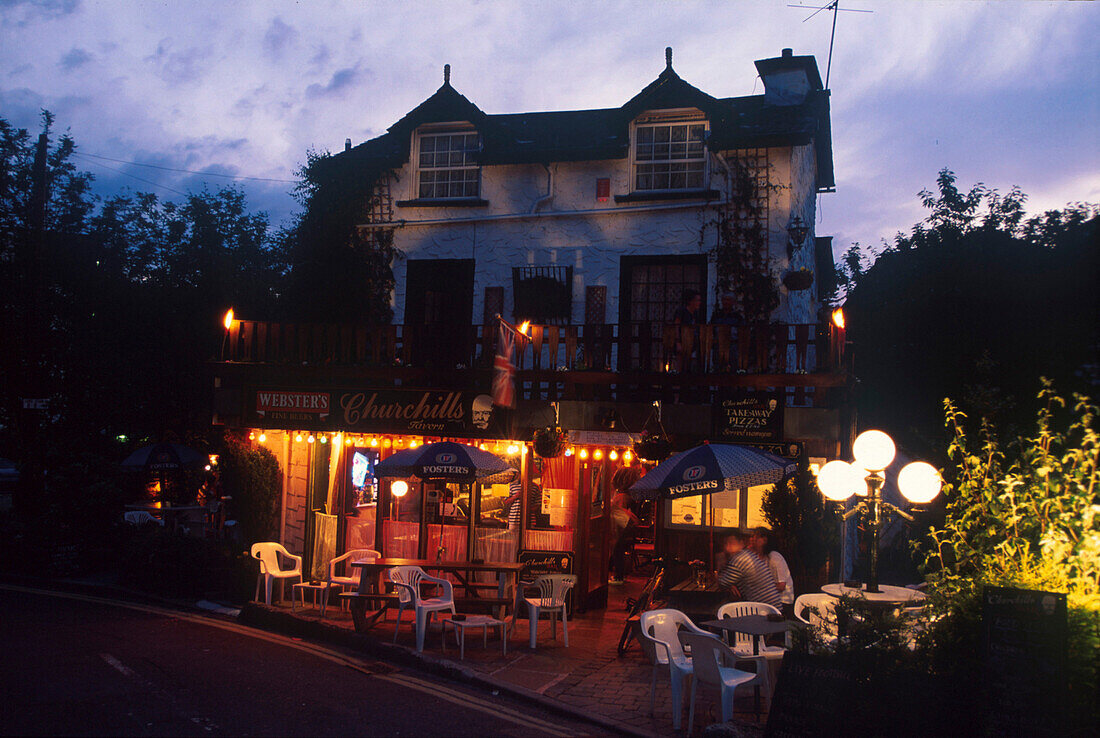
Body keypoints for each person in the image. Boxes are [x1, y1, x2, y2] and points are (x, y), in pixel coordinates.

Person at [717, 529, 782, 609]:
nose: (728, 547)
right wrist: (731, 584)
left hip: (764, 611)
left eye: (732, 543)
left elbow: (722, 583)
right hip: (772, 608)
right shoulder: (748, 554)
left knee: (721, 608)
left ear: (741, 543)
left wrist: (720, 562)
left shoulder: (739, 559)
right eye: (725, 543)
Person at [752, 527, 795, 617]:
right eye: (753, 536)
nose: (753, 539)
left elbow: (781, 586)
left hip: (782, 602)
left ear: (765, 540)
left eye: (756, 536)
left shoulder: (774, 557)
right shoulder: (759, 557)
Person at [609, 490, 640, 583]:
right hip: (629, 527)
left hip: (625, 528)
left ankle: (619, 577)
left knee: (617, 551)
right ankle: (620, 576)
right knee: (618, 551)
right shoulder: (623, 498)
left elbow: (618, 519)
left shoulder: (620, 498)